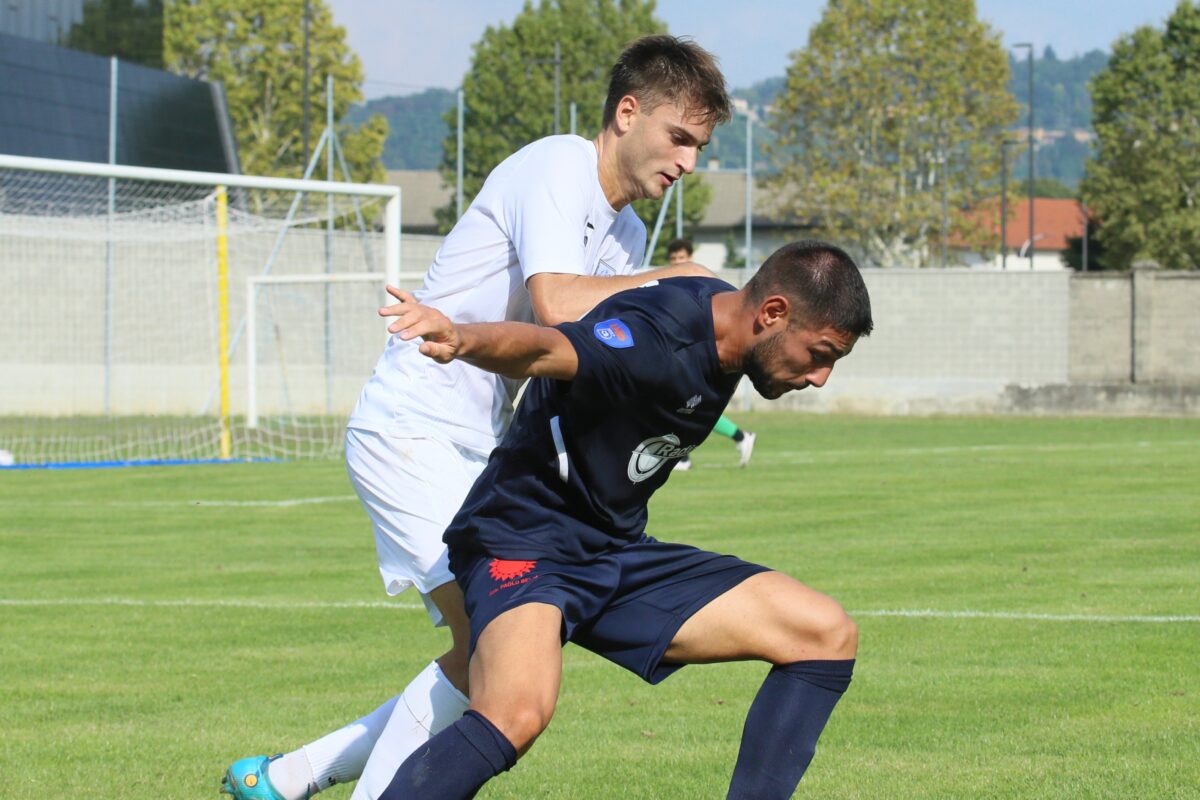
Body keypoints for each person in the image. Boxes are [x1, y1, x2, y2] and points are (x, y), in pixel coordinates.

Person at [220, 35, 733, 800]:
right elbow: (559, 305)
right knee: (490, 646)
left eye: (699, 146)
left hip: (477, 451)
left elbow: (585, 355)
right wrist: (678, 278)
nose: (688, 161)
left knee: (491, 650)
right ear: (628, 114)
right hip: (411, 429)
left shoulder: (626, 233)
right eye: (680, 137)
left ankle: (289, 777)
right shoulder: (557, 166)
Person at [375, 240, 874, 799]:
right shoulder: (656, 338)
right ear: (773, 313)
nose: (822, 376)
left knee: (823, 634)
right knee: (516, 713)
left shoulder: (724, 325)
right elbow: (548, 348)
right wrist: (464, 337)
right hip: (523, 542)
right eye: (821, 353)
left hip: (612, 551)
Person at [666, 237, 756, 470]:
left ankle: (684, 456)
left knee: (688, 404)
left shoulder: (703, 283)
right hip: (679, 352)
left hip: (699, 354)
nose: (677, 261)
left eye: (682, 257)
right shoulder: (669, 283)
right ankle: (739, 437)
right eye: (674, 258)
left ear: (690, 258)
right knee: (686, 405)